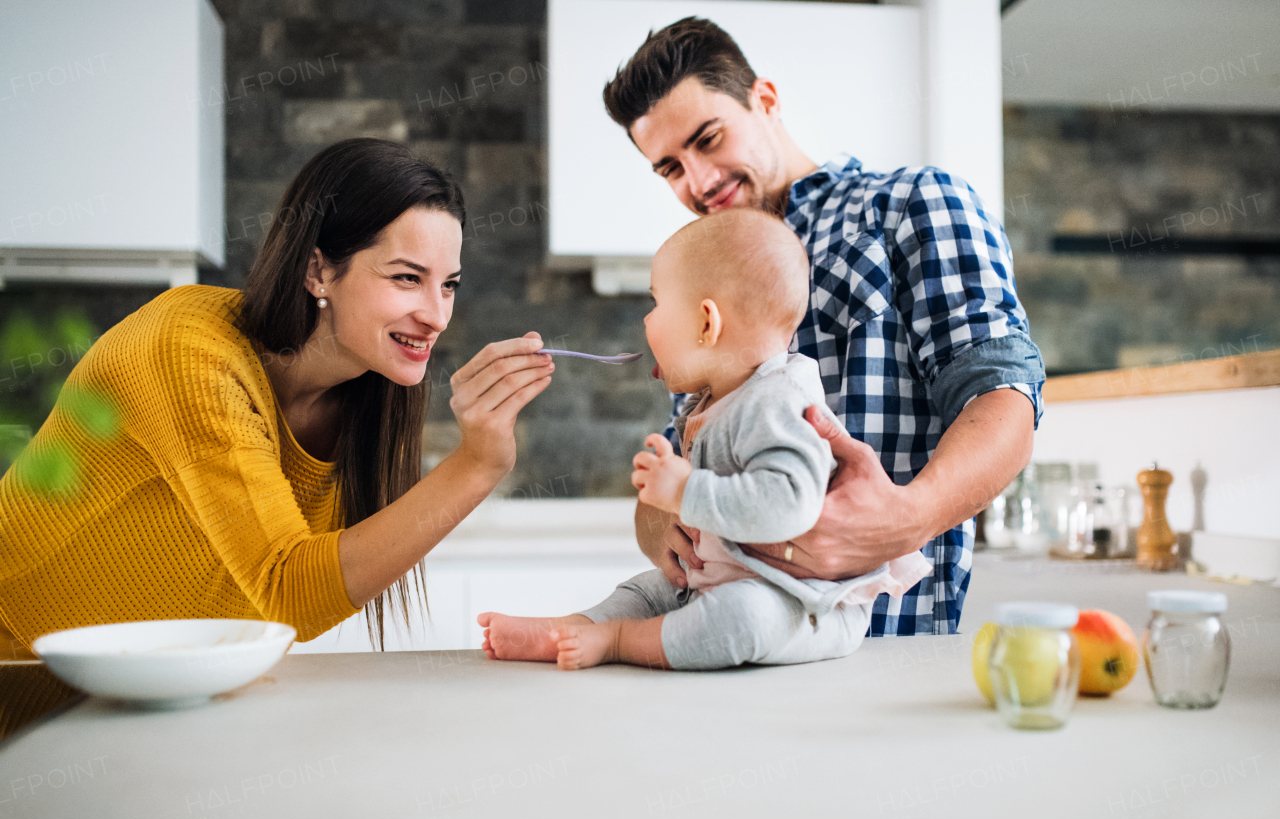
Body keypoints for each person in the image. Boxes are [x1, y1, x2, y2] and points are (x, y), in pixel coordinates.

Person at [0, 138, 555, 658]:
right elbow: (286, 591)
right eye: (408, 278)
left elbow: (278, 613)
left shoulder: (372, 392)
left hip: (155, 692)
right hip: (23, 683)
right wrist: (478, 464)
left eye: (449, 284)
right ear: (318, 271)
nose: (436, 315)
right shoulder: (187, 347)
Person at [607, 18, 1046, 637]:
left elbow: (1001, 397)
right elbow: (687, 447)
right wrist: (658, 521)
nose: (699, 181)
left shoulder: (912, 204)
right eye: (671, 168)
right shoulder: (700, 271)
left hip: (884, 653)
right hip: (727, 654)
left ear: (765, 100)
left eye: (708, 139)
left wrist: (907, 517)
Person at [478, 210, 928, 670]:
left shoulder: (775, 402)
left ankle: (615, 640)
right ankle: (575, 626)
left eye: (655, 305)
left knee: (743, 617)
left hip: (803, 604)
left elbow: (790, 504)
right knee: (648, 589)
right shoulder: (720, 398)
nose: (647, 322)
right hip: (725, 577)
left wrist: (684, 490)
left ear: (706, 325)